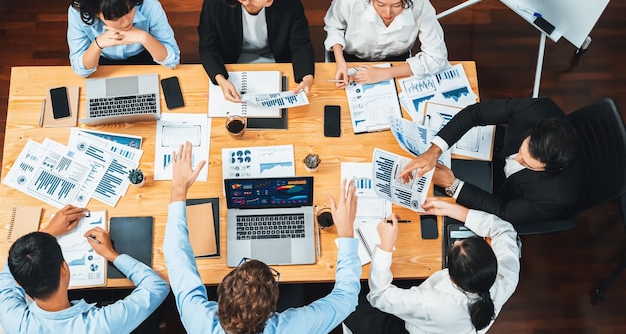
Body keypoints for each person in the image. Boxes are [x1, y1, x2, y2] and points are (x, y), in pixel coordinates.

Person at [164, 142, 361, 333]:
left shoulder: (199, 322)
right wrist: (345, 232)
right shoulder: (294, 328)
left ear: (220, 302)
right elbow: (346, 298)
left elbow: (177, 258)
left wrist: (178, 190)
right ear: (272, 311)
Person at [344, 198, 521, 334]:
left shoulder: (430, 302)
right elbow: (505, 230)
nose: (457, 240)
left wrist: (385, 246)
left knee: (346, 301)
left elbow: (379, 296)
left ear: (452, 275)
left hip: (415, 326)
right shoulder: (506, 276)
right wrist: (451, 209)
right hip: (441, 322)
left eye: (455, 246)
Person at [399, 97, 583, 225]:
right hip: (492, 154)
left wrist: (452, 184)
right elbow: (476, 113)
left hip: (502, 193)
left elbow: (505, 212)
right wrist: (434, 150)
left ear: (549, 168)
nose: (517, 160)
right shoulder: (538, 109)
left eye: (526, 163)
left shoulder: (556, 195)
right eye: (522, 151)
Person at [0, 205, 169, 333]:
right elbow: (157, 286)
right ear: (64, 269)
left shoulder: (14, 321)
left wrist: (46, 234)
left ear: (18, 282)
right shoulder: (100, 325)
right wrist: (111, 254)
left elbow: (10, 270)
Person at [323, 0, 449, 87]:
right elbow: (334, 25)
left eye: (396, 5)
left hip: (396, 63)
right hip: (351, 58)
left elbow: (437, 58)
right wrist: (340, 61)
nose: (387, 13)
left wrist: (386, 73)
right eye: (380, 4)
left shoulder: (420, 5)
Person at [198, 0, 315, 103]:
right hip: (234, 65)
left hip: (277, 60)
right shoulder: (215, 3)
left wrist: (307, 77)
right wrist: (221, 80)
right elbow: (208, 48)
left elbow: (300, 41)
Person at [68, 0, 180, 77]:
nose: (126, 22)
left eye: (130, 10)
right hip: (101, 59)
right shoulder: (78, 14)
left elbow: (173, 60)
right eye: (115, 18)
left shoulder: (149, 5)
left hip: (145, 53)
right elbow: (80, 70)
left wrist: (144, 37)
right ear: (96, 14)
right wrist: (97, 44)